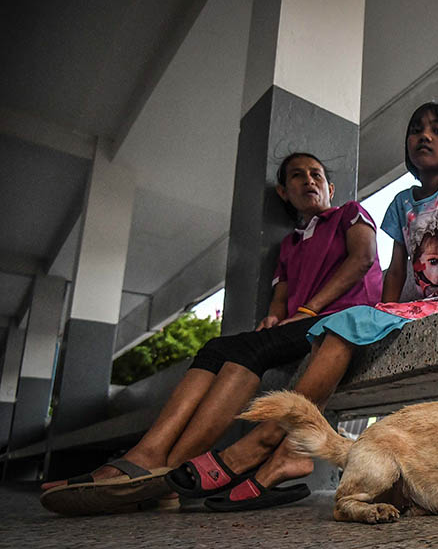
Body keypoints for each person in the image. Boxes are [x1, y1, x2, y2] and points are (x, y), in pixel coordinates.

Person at [182, 102, 438, 511]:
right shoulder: (401, 202)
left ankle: (269, 438)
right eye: (416, 130)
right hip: (422, 305)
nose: (425, 136)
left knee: (345, 323)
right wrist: (383, 314)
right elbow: (396, 271)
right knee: (328, 330)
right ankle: (290, 453)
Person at [40, 153, 383, 516]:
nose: (309, 181)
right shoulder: (289, 245)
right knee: (216, 349)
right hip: (299, 324)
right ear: (283, 192)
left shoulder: (350, 213)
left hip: (337, 321)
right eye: (297, 176)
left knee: (249, 350)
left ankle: (165, 469)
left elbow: (362, 258)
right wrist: (274, 315)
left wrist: (308, 310)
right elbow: (281, 294)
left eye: (316, 175)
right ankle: (153, 456)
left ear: (330, 188)